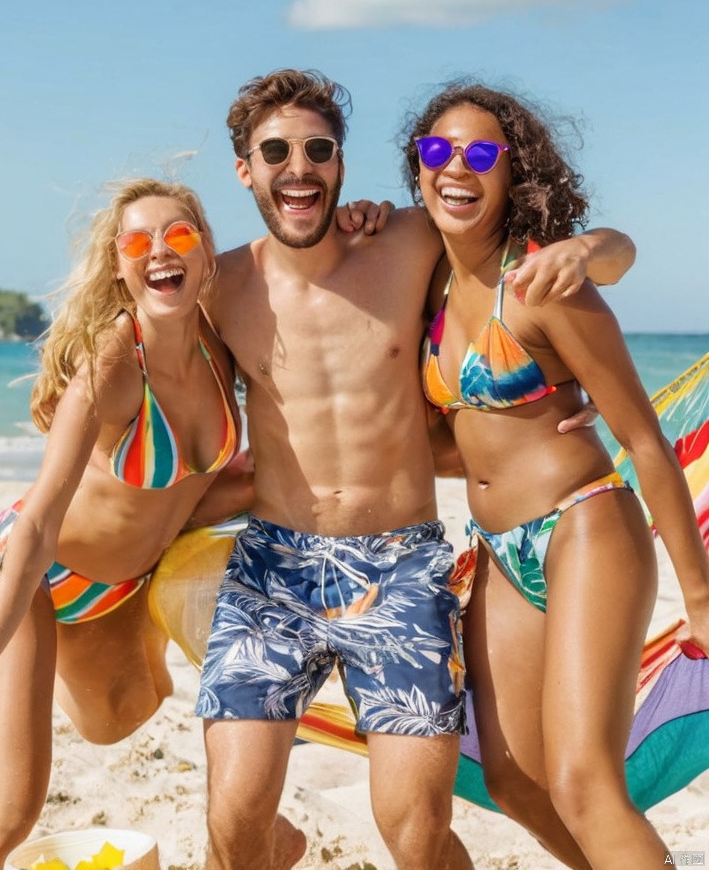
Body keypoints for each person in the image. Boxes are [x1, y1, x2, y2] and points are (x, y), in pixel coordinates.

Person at [195, 69, 635, 870]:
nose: (299, 166)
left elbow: (583, 256)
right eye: (276, 151)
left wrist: (583, 264)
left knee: (414, 828)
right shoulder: (218, 286)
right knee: (234, 816)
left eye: (318, 149)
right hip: (274, 567)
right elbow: (157, 392)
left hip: (400, 564)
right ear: (245, 169)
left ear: (340, 162)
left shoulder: (407, 240)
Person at [0, 178, 306, 870]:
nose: (160, 252)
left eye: (178, 235)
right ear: (118, 264)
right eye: (139, 241)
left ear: (204, 253)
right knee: (9, 810)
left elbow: (308, 275)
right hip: (38, 575)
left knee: (127, 717)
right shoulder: (111, 366)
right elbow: (41, 520)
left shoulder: (220, 341)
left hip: (125, 585)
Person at [401, 81, 709, 868]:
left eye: (480, 153)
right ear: (417, 167)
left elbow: (644, 441)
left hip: (586, 529)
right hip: (500, 551)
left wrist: (701, 599)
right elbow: (459, 439)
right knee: (511, 779)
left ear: (514, 174)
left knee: (583, 781)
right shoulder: (426, 281)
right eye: (438, 150)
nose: (455, 167)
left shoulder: (545, 283)